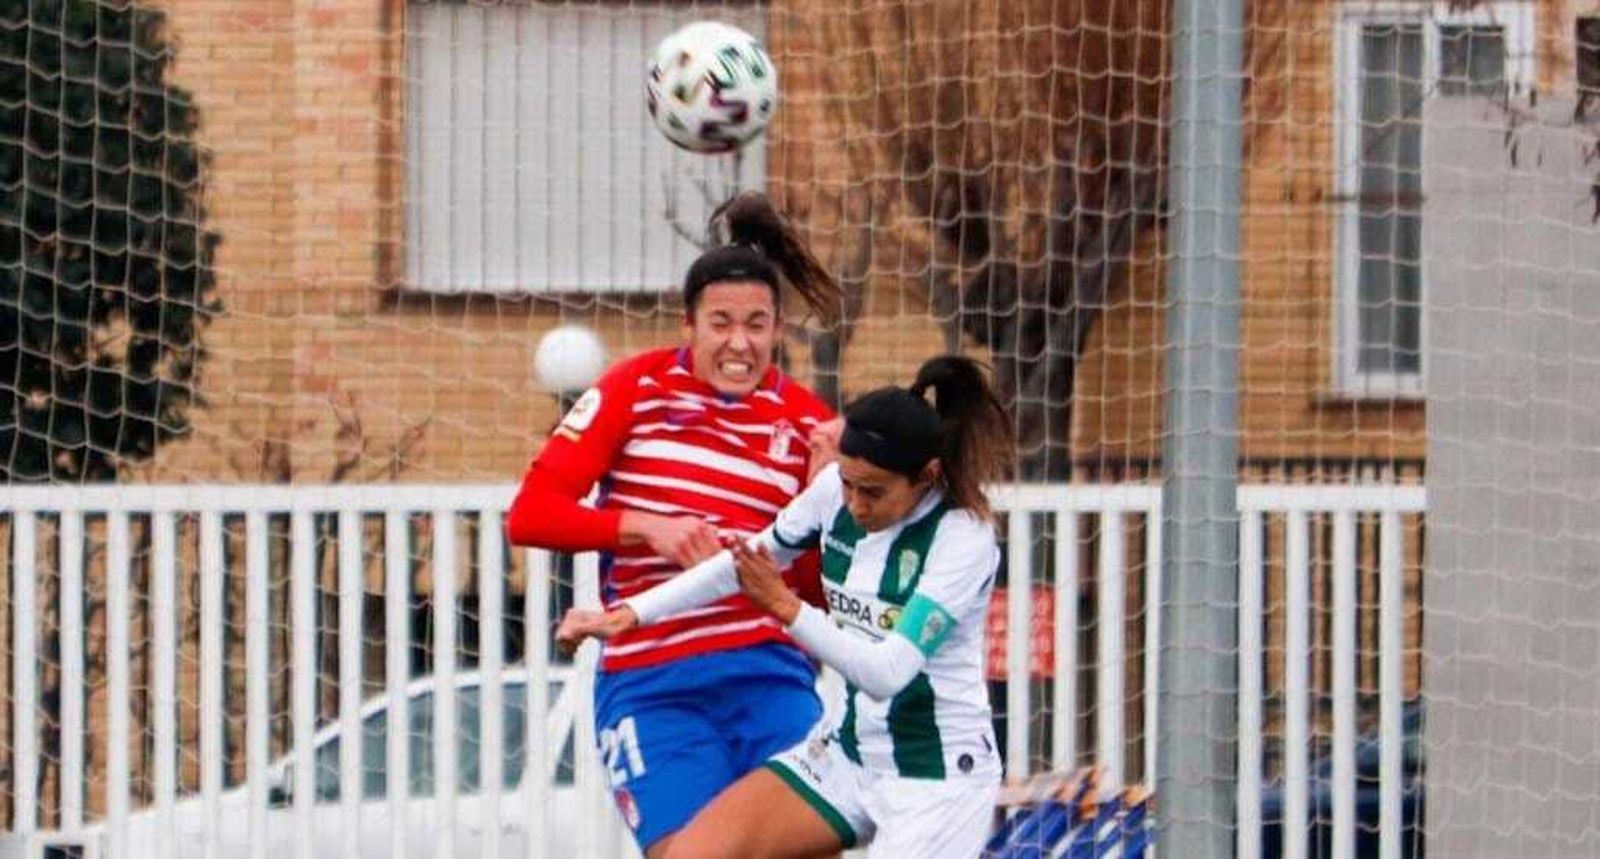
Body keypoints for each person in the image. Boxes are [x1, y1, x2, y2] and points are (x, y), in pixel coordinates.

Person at [558, 354, 1014, 859]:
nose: (855, 503)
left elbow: (887, 674)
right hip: (848, 756)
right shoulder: (833, 493)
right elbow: (747, 562)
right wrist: (633, 613)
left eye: (873, 492)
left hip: (936, 780)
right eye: (848, 483)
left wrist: (783, 605)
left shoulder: (962, 538)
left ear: (927, 475)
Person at [505, 191, 845, 857]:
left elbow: (815, 596)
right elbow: (531, 514)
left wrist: (822, 507)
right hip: (655, 684)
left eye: (757, 324)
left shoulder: (809, 423)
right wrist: (645, 526)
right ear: (687, 325)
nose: (739, 343)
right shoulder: (635, 388)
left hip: (769, 678)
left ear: (778, 329)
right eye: (721, 323)